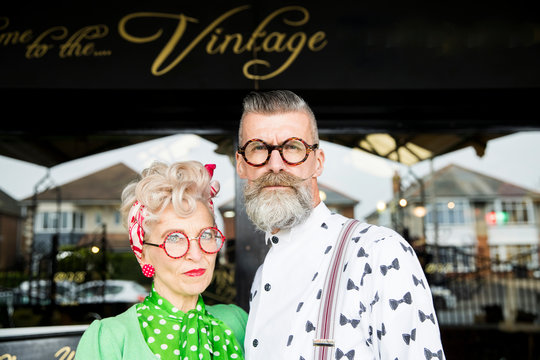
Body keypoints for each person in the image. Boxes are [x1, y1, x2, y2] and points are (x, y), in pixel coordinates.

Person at [235, 90, 446, 359]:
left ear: (318, 162)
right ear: (241, 165)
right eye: (258, 148)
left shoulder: (379, 252)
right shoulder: (262, 279)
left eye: (293, 147)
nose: (275, 165)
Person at [75, 161, 246, 360]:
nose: (196, 254)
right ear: (143, 253)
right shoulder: (109, 338)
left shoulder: (237, 321)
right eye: (174, 238)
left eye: (206, 235)